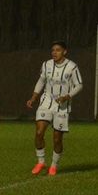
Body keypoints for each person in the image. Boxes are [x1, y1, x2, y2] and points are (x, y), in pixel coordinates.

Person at [26, 41, 83, 176]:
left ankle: (54, 165)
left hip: (62, 106)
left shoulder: (72, 67)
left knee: (57, 139)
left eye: (58, 50)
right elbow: (41, 80)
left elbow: (79, 85)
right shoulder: (46, 64)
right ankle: (41, 161)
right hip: (46, 101)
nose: (54, 52)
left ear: (64, 51)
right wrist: (34, 97)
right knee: (39, 132)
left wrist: (67, 96)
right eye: (52, 50)